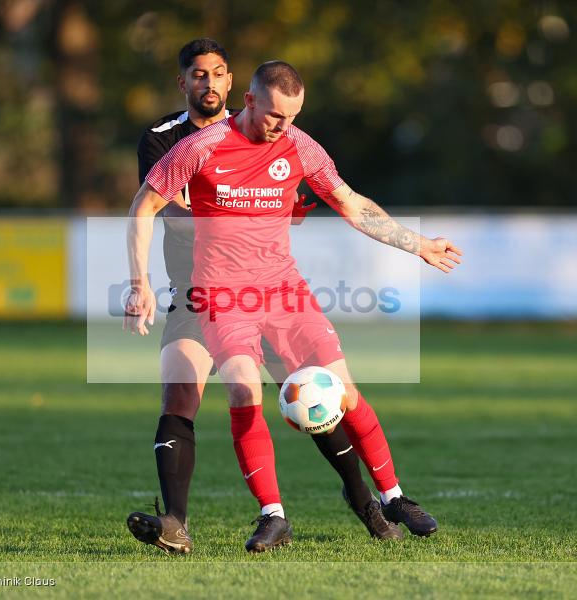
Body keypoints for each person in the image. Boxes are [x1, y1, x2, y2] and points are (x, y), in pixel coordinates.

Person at [126, 60, 460, 552]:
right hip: (222, 298)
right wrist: (140, 283)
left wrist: (416, 243)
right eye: (275, 117)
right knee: (243, 391)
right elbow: (143, 206)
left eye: (294, 116)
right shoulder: (201, 146)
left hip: (285, 293)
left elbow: (349, 202)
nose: (283, 127)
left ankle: (392, 497)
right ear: (252, 101)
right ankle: (272, 515)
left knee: (344, 392)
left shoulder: (298, 145)